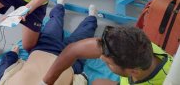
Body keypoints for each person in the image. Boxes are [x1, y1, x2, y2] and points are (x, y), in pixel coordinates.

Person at [0, 0, 97, 85]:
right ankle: (92, 18)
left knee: (54, 23)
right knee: (84, 34)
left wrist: (12, 54)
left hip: (44, 49)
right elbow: (79, 81)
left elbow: (4, 69)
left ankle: (60, 5)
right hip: (70, 64)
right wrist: (82, 77)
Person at [42, 26, 173, 85]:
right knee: (98, 83)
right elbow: (73, 50)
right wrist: (46, 83)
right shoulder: (137, 45)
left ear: (133, 71)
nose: (100, 58)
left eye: (108, 63)